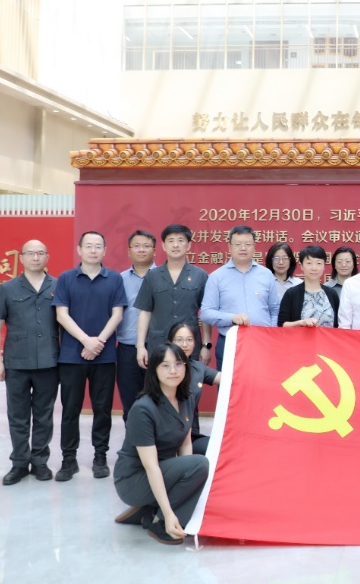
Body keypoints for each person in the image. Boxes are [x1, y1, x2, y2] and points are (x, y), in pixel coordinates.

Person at [112, 343, 209, 546]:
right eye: (165, 365)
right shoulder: (143, 409)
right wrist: (168, 512)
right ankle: (161, 522)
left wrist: (189, 479)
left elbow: (185, 444)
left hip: (162, 470)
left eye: (178, 364)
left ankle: (150, 510)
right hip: (133, 479)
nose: (173, 370)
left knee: (197, 465)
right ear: (154, 370)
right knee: (199, 464)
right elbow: (151, 466)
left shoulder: (186, 398)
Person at [52, 231, 127, 482]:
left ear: (104, 251)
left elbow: (117, 315)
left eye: (98, 246)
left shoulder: (114, 279)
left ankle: (100, 457)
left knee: (102, 409)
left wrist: (98, 343)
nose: (93, 250)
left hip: (104, 356)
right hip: (71, 356)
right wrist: (86, 341)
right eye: (89, 246)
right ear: (79, 249)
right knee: (70, 409)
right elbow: (61, 315)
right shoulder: (66, 278)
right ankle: (68, 459)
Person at [0, 239, 60, 485]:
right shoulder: (7, 288)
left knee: (44, 415)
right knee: (17, 415)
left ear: (47, 256)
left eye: (40, 253)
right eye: (30, 253)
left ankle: (39, 462)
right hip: (16, 363)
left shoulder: (58, 286)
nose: (35, 258)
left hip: (49, 362)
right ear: (21, 258)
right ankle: (19, 463)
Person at [134, 224, 211, 378]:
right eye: (171, 241)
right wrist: (140, 346)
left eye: (180, 241)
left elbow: (206, 313)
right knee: (158, 387)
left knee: (188, 387)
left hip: (188, 346)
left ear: (188, 245)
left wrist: (206, 345)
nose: (175, 245)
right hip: (158, 344)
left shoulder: (200, 275)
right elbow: (145, 312)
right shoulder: (152, 276)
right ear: (163, 246)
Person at [200, 225, 281, 371]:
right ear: (230, 247)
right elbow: (206, 313)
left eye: (248, 244)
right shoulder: (217, 277)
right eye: (238, 244)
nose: (243, 248)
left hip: (262, 342)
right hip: (231, 344)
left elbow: (275, 309)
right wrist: (231, 318)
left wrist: (272, 333)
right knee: (231, 385)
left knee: (262, 383)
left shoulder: (266, 274)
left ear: (254, 246)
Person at [116, 230, 156, 423]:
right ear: (128, 251)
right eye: (137, 246)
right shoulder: (119, 280)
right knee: (130, 401)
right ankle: (132, 441)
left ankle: (158, 442)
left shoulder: (163, 277)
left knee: (159, 401)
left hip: (158, 347)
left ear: (155, 250)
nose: (141, 250)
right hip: (127, 348)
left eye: (146, 246)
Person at [167, 322, 221, 455]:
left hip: (190, 435)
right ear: (170, 342)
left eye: (189, 340)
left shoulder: (198, 368)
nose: (185, 344)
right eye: (179, 340)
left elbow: (228, 379)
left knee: (220, 449)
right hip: (164, 436)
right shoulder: (162, 367)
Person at [279, 245, 340, 328]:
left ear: (324, 267)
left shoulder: (332, 294)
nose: (314, 268)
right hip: (299, 337)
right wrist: (301, 323)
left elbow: (337, 325)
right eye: (309, 263)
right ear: (301, 266)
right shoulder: (291, 293)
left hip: (327, 337)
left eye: (319, 263)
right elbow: (282, 325)